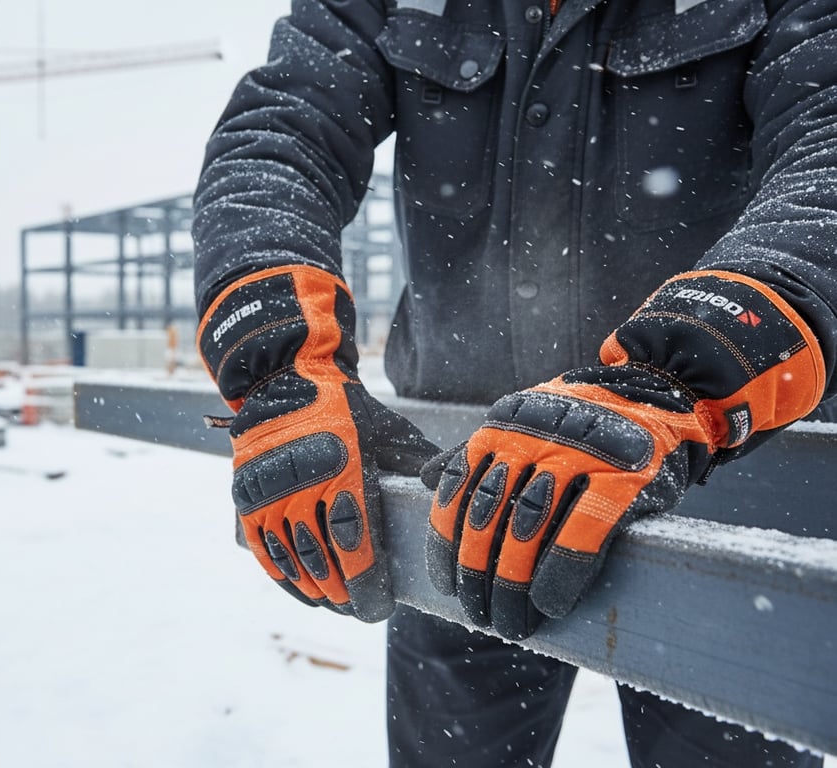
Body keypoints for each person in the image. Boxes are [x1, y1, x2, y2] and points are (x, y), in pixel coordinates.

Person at [191, 1, 836, 766]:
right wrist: (278, 365)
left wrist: (677, 375)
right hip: (462, 495)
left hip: (723, 496)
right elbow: (277, 142)